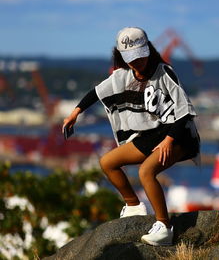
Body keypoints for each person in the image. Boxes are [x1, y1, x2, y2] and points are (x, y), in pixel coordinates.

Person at [62, 27, 200, 246]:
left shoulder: (164, 72)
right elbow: (97, 92)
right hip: (152, 135)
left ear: (148, 50)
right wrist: (75, 112)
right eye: (131, 58)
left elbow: (184, 112)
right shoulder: (123, 75)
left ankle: (165, 227)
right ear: (122, 57)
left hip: (178, 135)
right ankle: (134, 205)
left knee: (147, 171)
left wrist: (168, 141)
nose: (137, 62)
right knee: (108, 162)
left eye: (140, 56)